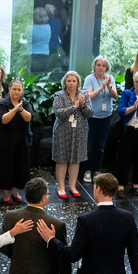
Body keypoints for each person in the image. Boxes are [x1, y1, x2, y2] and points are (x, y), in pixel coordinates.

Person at [52, 71, 93, 199]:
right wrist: (75, 106)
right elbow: (59, 113)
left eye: (74, 81)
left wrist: (83, 105)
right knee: (62, 159)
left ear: (78, 82)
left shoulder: (84, 95)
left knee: (75, 160)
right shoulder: (59, 95)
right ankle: (61, 187)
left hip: (80, 132)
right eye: (69, 81)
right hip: (62, 132)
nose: (71, 83)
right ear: (65, 82)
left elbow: (90, 113)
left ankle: (73, 186)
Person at [0, 79, 33, 204]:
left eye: (19, 89)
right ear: (9, 90)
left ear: (22, 91)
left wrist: (20, 110)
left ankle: (15, 191)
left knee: (20, 167)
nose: (16, 92)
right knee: (6, 167)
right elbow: (3, 120)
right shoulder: (3, 104)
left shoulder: (24, 103)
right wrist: (15, 110)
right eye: (14, 89)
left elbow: (29, 118)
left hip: (21, 140)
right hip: (6, 141)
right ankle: (5, 193)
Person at [83, 56, 119, 184]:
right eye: (98, 65)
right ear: (95, 66)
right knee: (90, 144)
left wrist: (109, 86)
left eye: (103, 66)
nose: (101, 68)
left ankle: (97, 170)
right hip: (92, 117)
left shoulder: (110, 78)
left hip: (105, 117)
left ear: (106, 68)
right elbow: (89, 97)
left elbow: (114, 96)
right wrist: (101, 87)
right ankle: (87, 170)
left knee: (100, 145)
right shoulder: (89, 79)